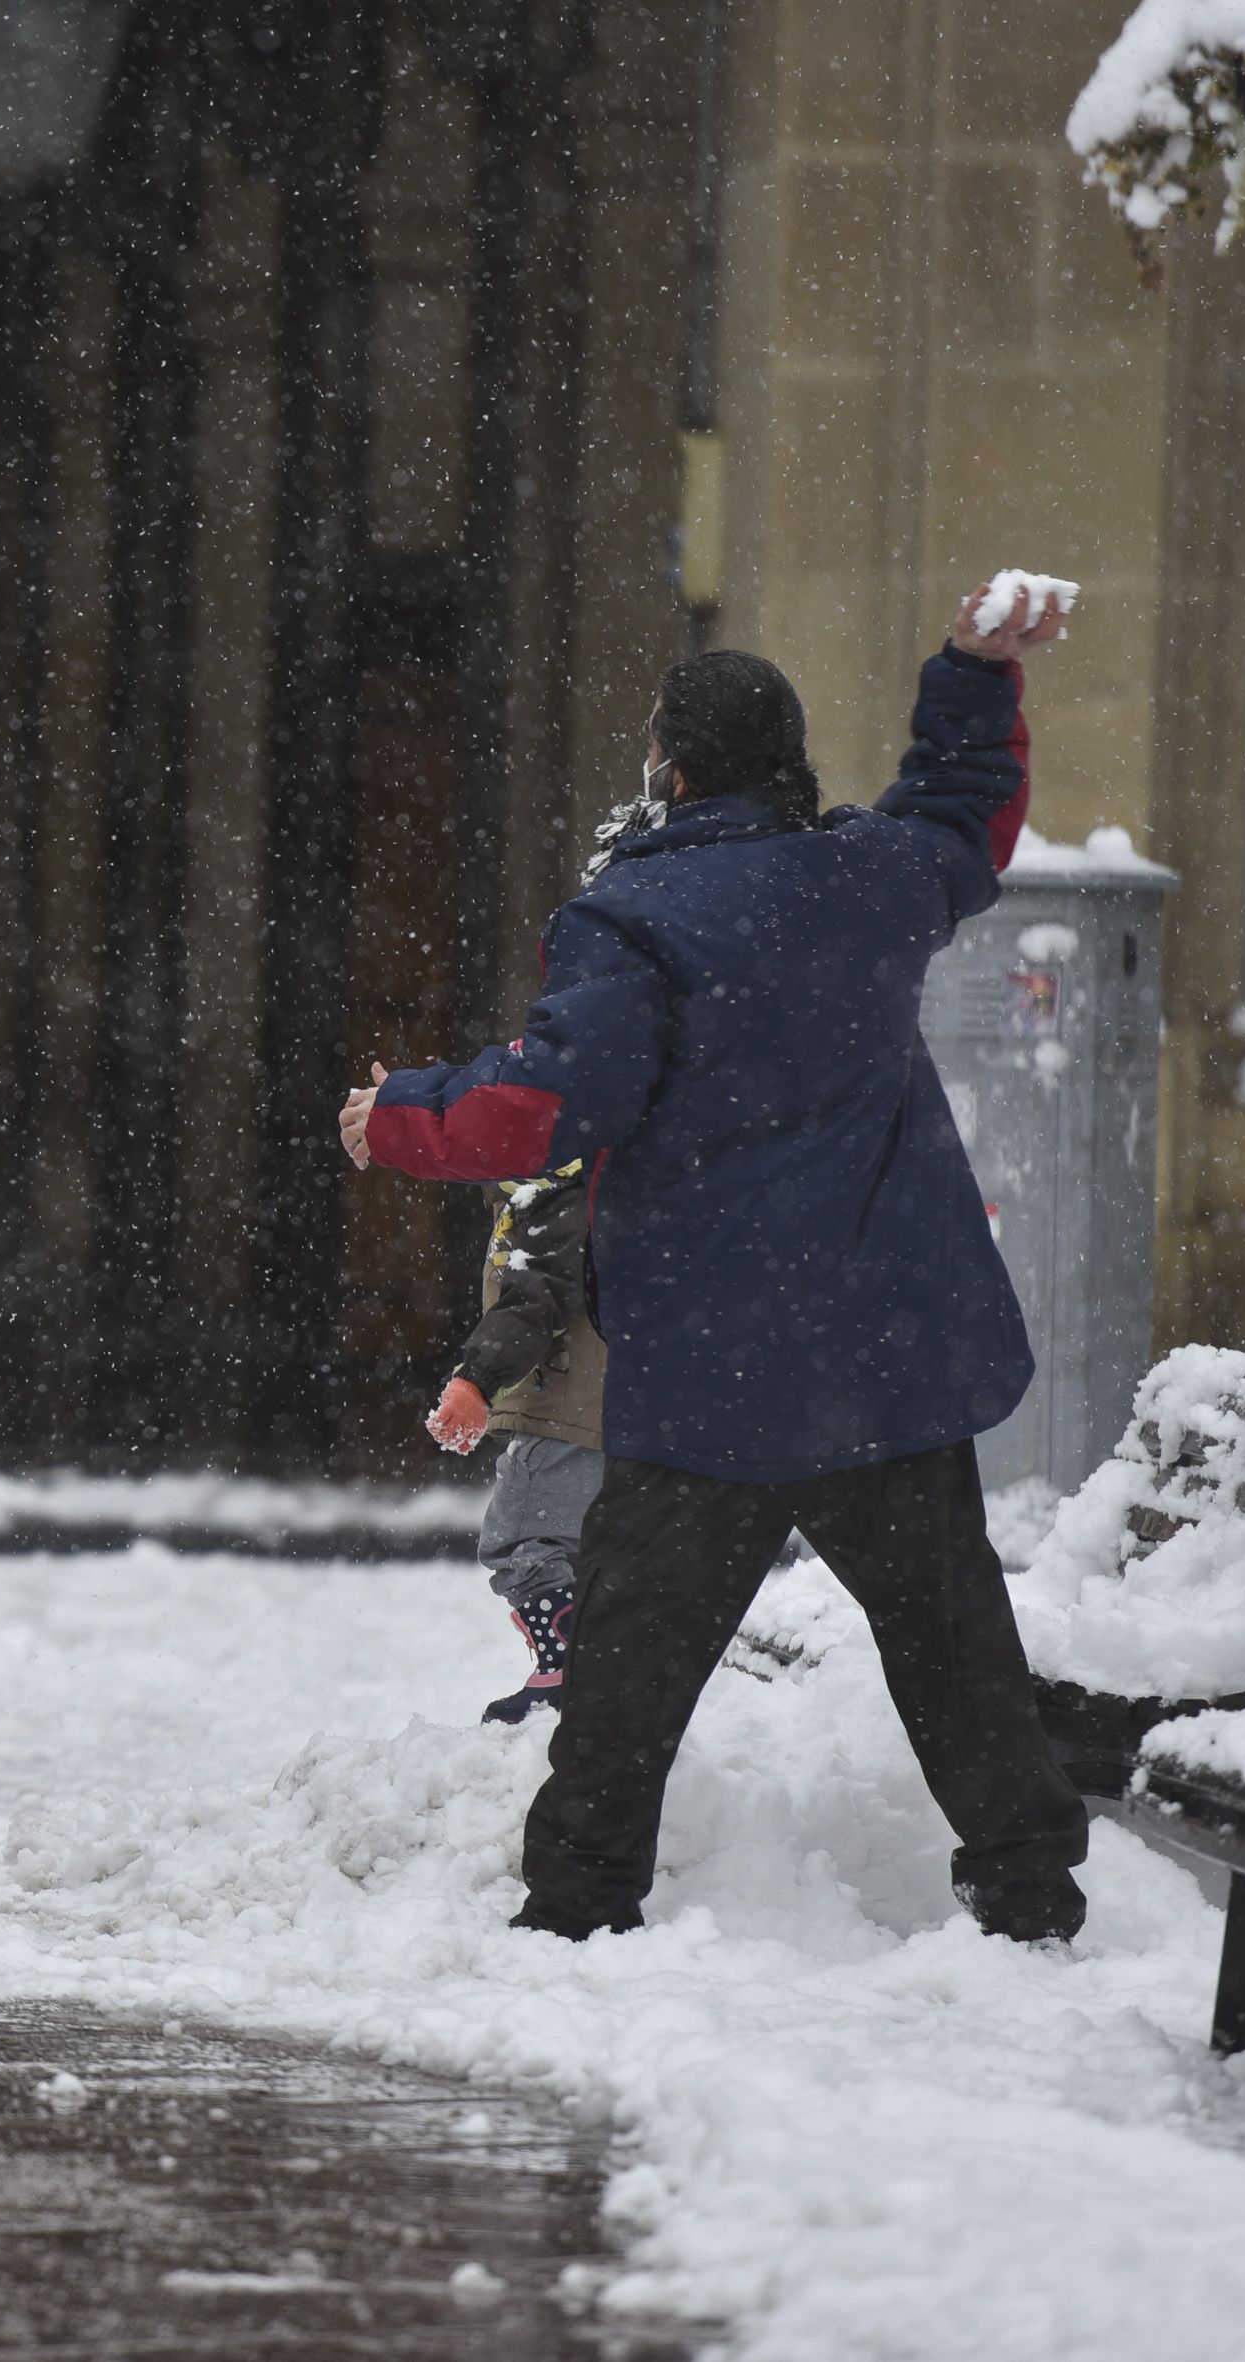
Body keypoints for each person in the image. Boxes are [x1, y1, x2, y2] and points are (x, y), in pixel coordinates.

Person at [343, 581, 1090, 1945]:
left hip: (717, 1378)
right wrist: (976, 670)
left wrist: (396, 1114)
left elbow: (545, 1107)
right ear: (788, 765)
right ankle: (1031, 1890)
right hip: (879, 1360)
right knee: (953, 1649)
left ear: (669, 772)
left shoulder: (633, 919)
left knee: (629, 1666)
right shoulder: (869, 876)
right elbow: (958, 810)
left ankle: (575, 1905)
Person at [424, 1160, 602, 1726]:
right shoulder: (596, 1178)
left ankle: (565, 1670)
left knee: (524, 1540)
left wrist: (477, 1377)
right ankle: (604, 1664)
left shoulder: (551, 1192)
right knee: (602, 1543)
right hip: (608, 1407)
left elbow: (535, 1295)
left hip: (569, 1407)